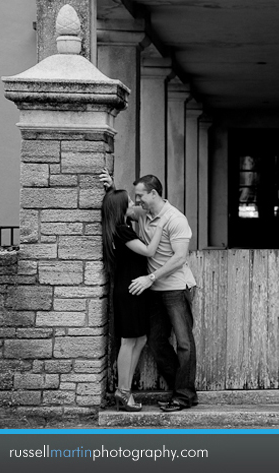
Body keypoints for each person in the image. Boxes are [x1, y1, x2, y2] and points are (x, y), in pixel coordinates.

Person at [100, 169, 198, 412]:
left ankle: (183, 395)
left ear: (153, 194)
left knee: (184, 342)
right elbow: (119, 209)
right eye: (135, 197)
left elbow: (179, 258)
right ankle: (180, 390)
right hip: (149, 289)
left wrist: (150, 277)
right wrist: (112, 188)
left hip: (174, 287)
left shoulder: (175, 219)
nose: (136, 201)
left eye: (140, 196)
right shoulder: (141, 212)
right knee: (154, 341)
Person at [101, 189, 165, 412]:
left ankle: (124, 390)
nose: (133, 203)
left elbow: (118, 202)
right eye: (128, 201)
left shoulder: (121, 227)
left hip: (133, 290)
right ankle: (123, 391)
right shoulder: (121, 231)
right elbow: (149, 250)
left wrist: (112, 186)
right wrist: (161, 225)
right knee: (129, 341)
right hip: (129, 291)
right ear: (121, 208)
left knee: (141, 339)